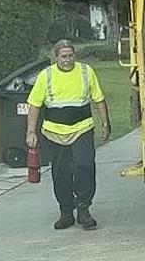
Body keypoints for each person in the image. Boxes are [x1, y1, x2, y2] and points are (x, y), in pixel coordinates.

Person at [26, 39, 111, 230]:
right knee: (61, 172)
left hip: (82, 128)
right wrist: (31, 132)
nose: (67, 60)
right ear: (56, 57)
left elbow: (99, 99)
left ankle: (83, 208)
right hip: (54, 132)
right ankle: (66, 211)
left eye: (70, 56)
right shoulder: (45, 76)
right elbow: (34, 106)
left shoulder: (86, 71)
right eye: (63, 57)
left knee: (85, 165)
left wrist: (105, 123)